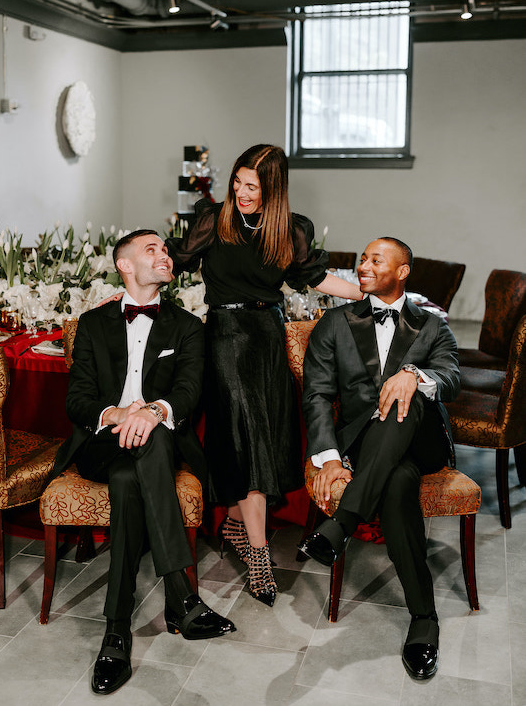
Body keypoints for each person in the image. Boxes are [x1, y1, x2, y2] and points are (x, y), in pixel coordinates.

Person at [167, 144, 362, 606]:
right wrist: (135, 276)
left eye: (252, 186)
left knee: (260, 440)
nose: (241, 192)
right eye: (237, 182)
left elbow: (314, 278)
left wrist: (368, 294)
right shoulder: (215, 219)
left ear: (272, 188)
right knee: (248, 438)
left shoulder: (290, 230)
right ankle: (259, 556)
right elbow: (175, 262)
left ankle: (237, 522)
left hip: (267, 337)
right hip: (225, 337)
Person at [51, 229, 235, 696]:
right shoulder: (93, 325)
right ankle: (183, 599)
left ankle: (116, 629)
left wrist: (152, 413)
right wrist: (117, 414)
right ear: (125, 265)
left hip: (157, 437)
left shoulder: (188, 326)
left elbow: (188, 392)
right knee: (130, 456)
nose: (165, 255)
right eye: (151, 250)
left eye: (165, 249)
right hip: (102, 440)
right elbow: (77, 400)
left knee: (130, 476)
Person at [298, 237, 460, 681]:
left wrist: (413, 374)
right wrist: (329, 458)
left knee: (407, 395)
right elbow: (317, 394)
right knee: (397, 482)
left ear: (403, 271)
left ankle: (342, 524)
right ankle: (424, 619)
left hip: (424, 440)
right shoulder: (335, 323)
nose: (362, 265)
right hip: (365, 448)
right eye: (362, 259)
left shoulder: (432, 325)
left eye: (375, 260)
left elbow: (451, 377)